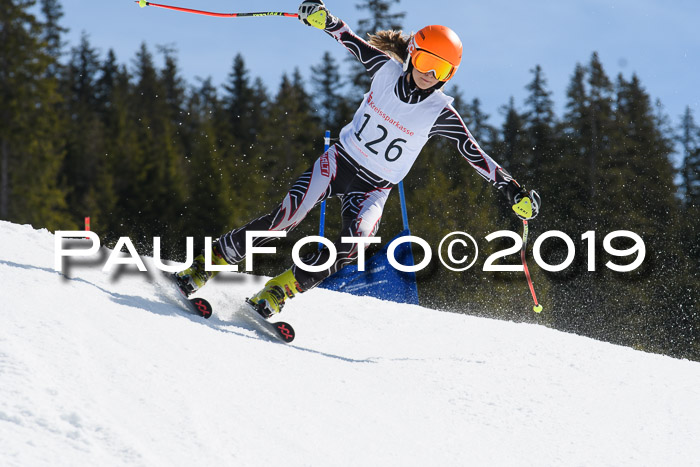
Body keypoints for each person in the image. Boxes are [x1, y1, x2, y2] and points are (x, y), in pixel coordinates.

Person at [174, 0, 541, 317]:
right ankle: (205, 266)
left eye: (441, 70)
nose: (429, 75)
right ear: (413, 53)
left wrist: (512, 190)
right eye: (427, 61)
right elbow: (347, 37)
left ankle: (279, 290)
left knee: (355, 245)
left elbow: (474, 153)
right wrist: (322, 17)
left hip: (375, 188)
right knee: (284, 219)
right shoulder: (384, 70)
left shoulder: (439, 112)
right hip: (338, 164)